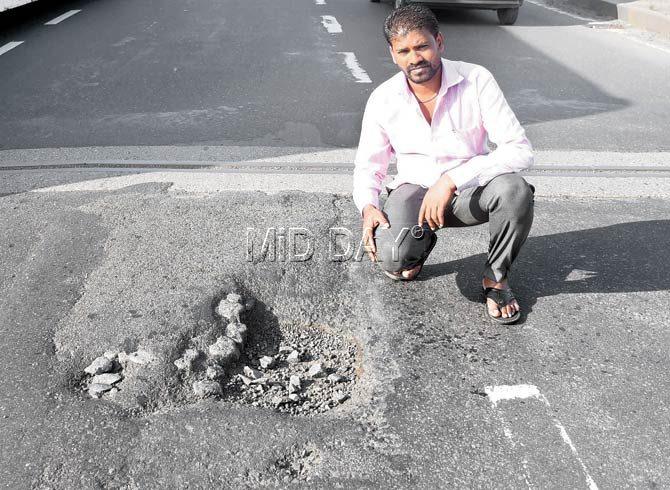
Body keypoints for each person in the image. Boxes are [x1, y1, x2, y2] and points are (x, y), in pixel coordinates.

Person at [352, 4, 535, 324]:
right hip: (415, 195)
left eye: (422, 46)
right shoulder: (384, 99)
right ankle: (419, 241)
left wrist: (451, 179)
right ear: (393, 54)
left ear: (439, 41)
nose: (415, 57)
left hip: (470, 196)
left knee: (515, 190)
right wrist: (368, 206)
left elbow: (519, 149)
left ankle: (496, 278)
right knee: (395, 262)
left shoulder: (476, 79)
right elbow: (369, 164)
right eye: (404, 50)